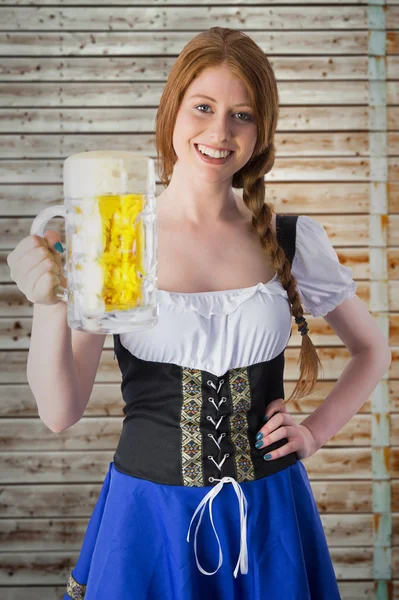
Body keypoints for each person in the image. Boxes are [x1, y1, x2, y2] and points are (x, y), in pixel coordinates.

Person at [8, 27, 391, 600]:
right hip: (147, 519)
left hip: (266, 517)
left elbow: (373, 350)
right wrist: (46, 306)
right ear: (173, 111)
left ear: (262, 132)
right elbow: (61, 412)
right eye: (204, 108)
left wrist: (313, 434)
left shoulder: (288, 239)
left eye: (242, 115)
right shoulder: (117, 239)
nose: (219, 132)